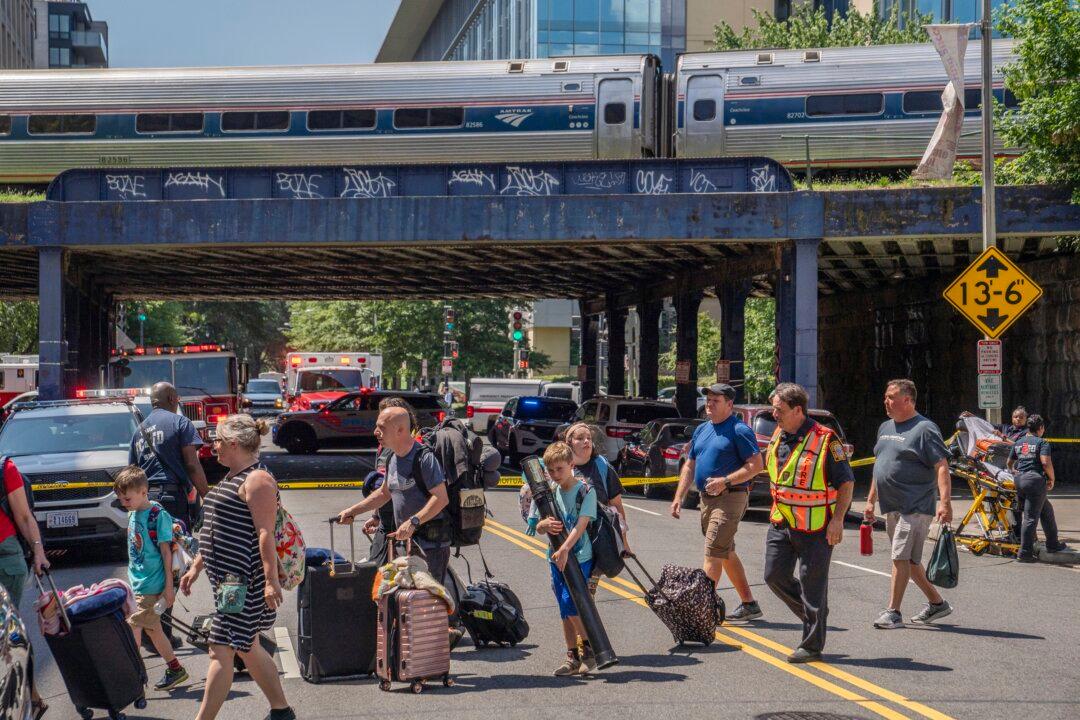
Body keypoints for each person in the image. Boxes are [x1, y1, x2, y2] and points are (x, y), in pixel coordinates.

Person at [179, 415, 294, 720]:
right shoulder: (233, 477)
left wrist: (271, 581)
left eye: (216, 440)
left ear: (232, 444)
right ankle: (282, 711)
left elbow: (264, 533)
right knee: (246, 646)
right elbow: (219, 530)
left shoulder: (258, 479)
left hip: (246, 582)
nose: (212, 446)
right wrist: (196, 567)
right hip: (228, 583)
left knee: (222, 648)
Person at [762, 384, 854, 663]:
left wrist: (838, 521)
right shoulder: (779, 434)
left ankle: (811, 646)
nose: (774, 414)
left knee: (813, 585)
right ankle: (813, 613)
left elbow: (846, 482)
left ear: (797, 410)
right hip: (782, 520)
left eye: (779, 409)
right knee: (773, 576)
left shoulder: (827, 440)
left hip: (816, 525)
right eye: (774, 409)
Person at [863, 379, 953, 629]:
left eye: (891, 397)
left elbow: (942, 466)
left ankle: (893, 612)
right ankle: (937, 604)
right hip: (892, 506)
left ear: (908, 400)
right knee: (910, 562)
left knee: (899, 557)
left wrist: (945, 503)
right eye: (885, 396)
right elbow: (879, 465)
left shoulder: (924, 428)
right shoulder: (884, 427)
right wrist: (870, 501)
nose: (886, 401)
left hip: (915, 506)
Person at [670, 383, 764, 623]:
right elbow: (690, 465)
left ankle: (703, 610)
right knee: (725, 552)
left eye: (716, 401)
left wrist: (725, 481)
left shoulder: (739, 430)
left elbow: (756, 466)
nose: (709, 404)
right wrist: (679, 496)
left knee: (712, 551)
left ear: (730, 405)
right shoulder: (702, 429)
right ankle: (749, 604)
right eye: (708, 400)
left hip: (730, 499)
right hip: (706, 500)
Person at [337, 406, 452, 584]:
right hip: (405, 543)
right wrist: (353, 511)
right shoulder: (392, 458)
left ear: (400, 430)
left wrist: (414, 521)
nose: (376, 432)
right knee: (402, 600)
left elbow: (441, 497)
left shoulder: (424, 458)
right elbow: (384, 493)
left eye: (382, 427)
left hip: (430, 546)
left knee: (426, 604)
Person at [525, 442, 599, 676]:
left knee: (571, 603)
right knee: (563, 609)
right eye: (552, 471)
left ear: (571, 464)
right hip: (555, 557)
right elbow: (536, 524)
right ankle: (572, 657)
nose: (556, 475)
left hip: (579, 556)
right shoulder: (549, 492)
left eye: (560, 469)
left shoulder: (585, 490)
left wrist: (566, 549)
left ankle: (590, 650)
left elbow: (581, 525)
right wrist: (542, 525)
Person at [112, 466, 189, 691]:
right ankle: (175, 669)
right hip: (138, 581)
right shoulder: (133, 512)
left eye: (127, 498)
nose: (124, 503)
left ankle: (132, 677)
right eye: (121, 500)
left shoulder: (157, 515)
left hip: (151, 584)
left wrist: (168, 587)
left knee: (133, 627)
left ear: (144, 491)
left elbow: (166, 552)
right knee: (153, 629)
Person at [1, 456, 50, 719]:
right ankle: (32, 698)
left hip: (4, 559)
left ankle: (22, 702)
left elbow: (22, 515)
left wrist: (38, 551)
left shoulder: (5, 468)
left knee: (8, 635)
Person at [129, 381, 210, 529]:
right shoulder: (181, 423)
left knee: (153, 549)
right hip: (172, 500)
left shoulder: (138, 431)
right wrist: (208, 498)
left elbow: (132, 472)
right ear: (172, 399)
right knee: (178, 547)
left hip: (146, 501)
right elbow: (192, 465)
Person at [565, 422, 631, 559]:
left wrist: (623, 542)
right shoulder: (562, 467)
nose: (586, 441)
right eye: (580, 438)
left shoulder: (602, 466)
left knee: (589, 580)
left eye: (589, 437)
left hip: (599, 539)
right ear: (569, 442)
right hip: (569, 539)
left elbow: (617, 507)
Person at [1007, 414, 1068, 562]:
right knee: (1030, 518)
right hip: (1035, 481)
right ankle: (1025, 553)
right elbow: (1046, 463)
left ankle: (1053, 544)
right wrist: (1052, 478)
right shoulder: (1042, 442)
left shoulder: (1019, 442)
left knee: (1046, 510)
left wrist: (1015, 471)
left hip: (1020, 480)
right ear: (1040, 428)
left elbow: (1009, 462)